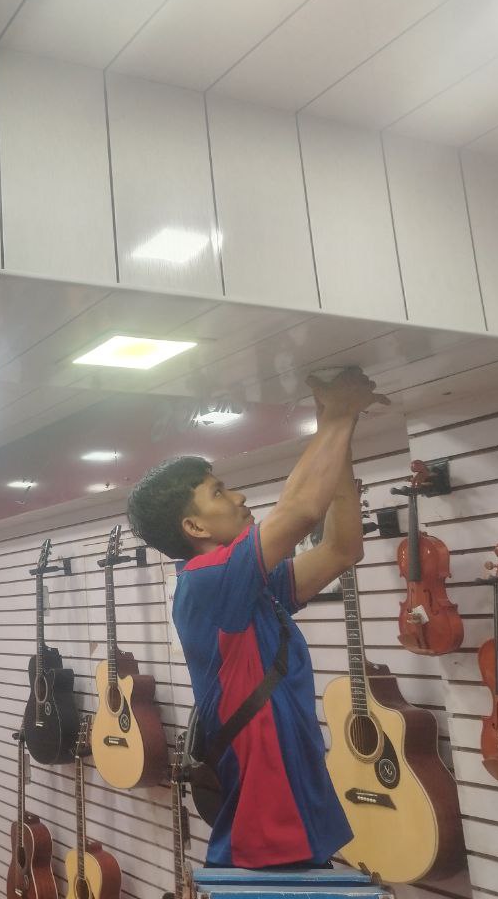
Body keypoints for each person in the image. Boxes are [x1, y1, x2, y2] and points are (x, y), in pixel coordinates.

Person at [126, 367, 387, 871]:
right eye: (219, 492)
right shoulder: (206, 581)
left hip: (298, 801)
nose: (239, 497)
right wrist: (337, 415)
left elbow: (341, 548)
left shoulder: (250, 589)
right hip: (266, 819)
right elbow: (301, 509)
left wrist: (341, 430)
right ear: (194, 526)